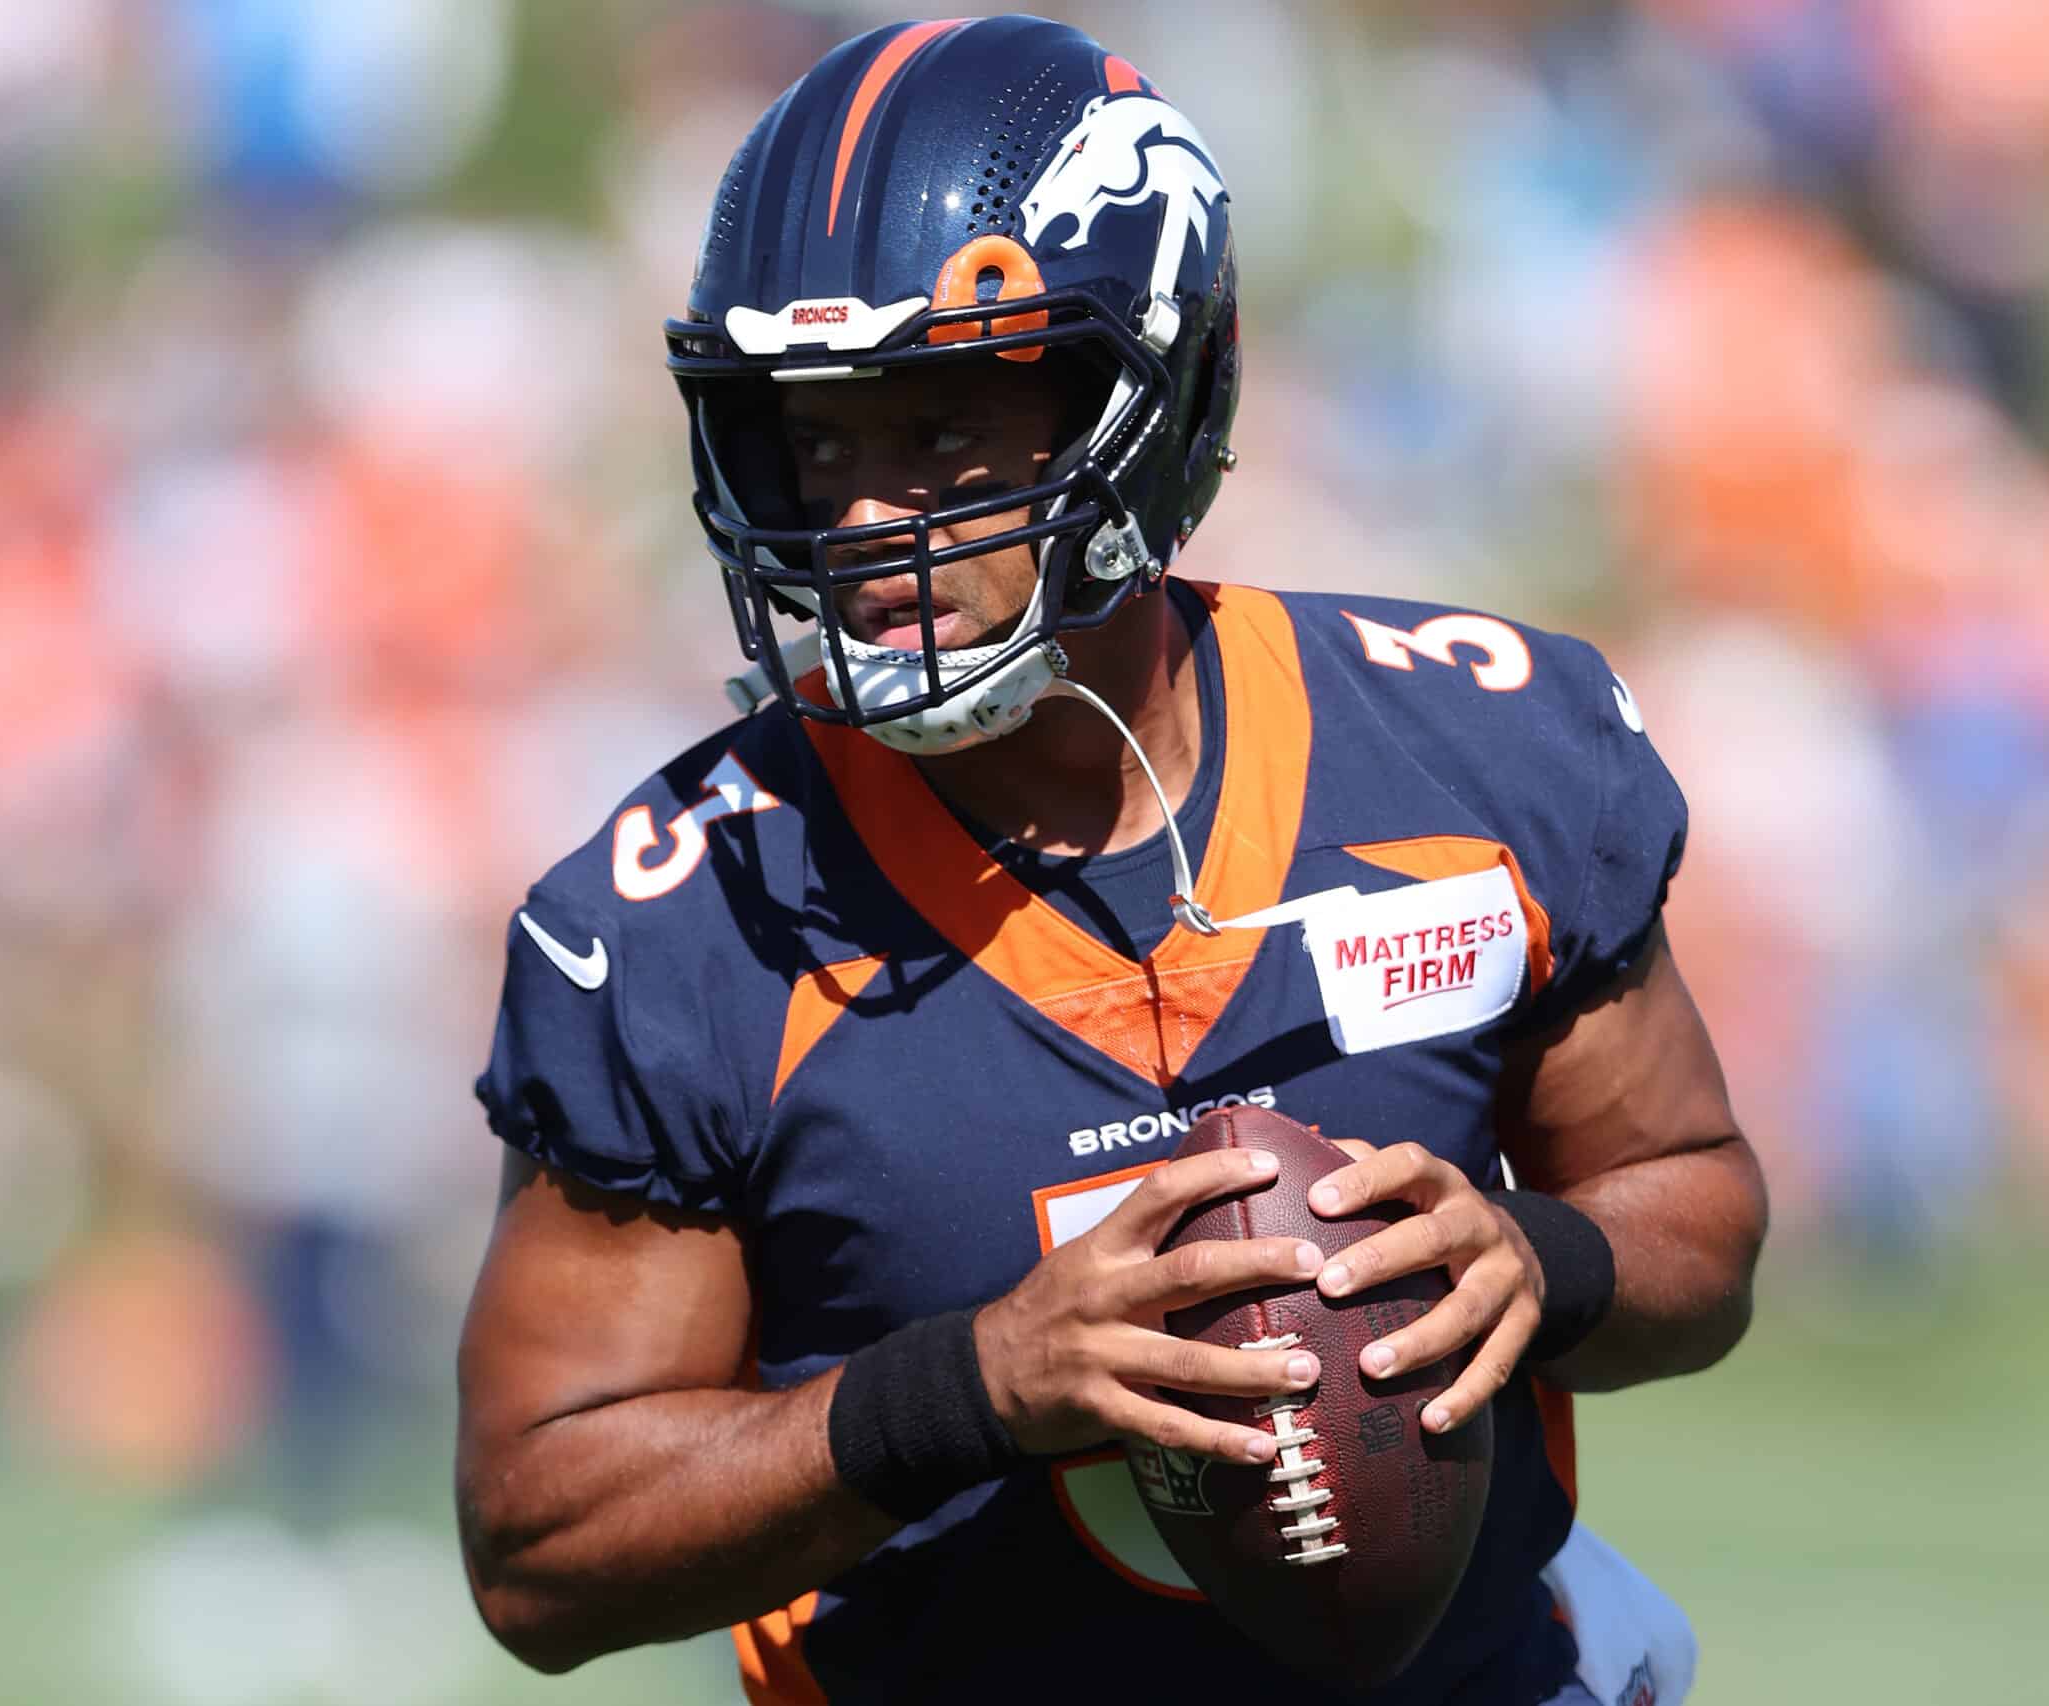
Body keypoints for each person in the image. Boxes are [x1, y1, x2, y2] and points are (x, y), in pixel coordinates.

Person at [456, 16, 1766, 1706]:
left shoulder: (1475, 751)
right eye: (815, 440)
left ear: (1147, 398)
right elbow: (539, 1547)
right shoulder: (692, 916)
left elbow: (1699, 1216)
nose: (861, 523)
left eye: (937, 426)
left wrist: (1542, 1263)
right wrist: (974, 1386)